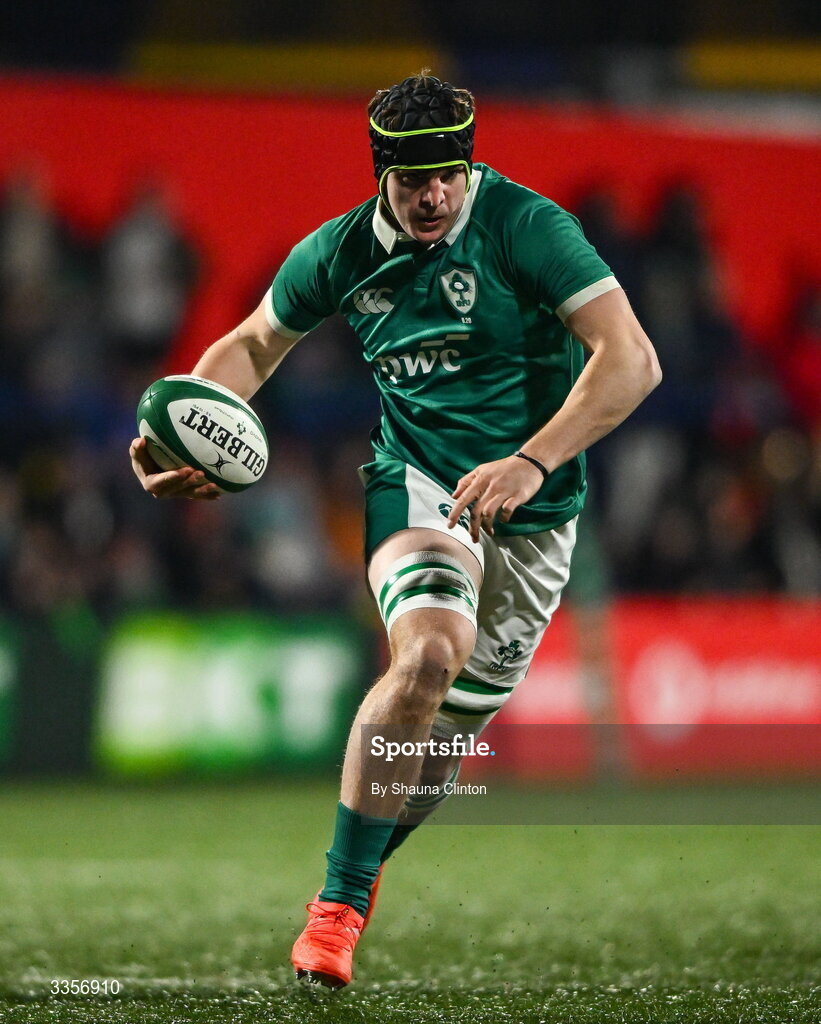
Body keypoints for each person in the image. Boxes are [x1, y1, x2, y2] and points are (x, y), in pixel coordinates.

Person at [129, 72, 661, 990]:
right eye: (412, 177)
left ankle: (355, 878)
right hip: (417, 487)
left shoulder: (526, 227)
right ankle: (332, 918)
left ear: (467, 164)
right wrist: (181, 427)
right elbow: (255, 342)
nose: (432, 195)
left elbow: (633, 359)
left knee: (431, 755)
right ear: (381, 171)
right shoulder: (338, 252)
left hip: (538, 514)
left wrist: (530, 461)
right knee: (422, 658)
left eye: (447, 174)